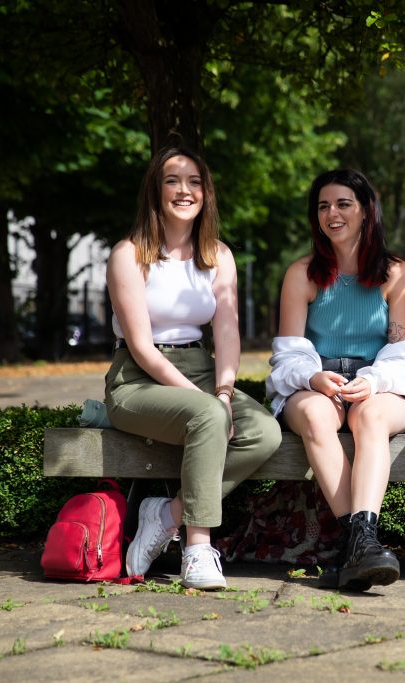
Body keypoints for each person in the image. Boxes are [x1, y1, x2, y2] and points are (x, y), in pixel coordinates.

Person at [106, 146, 282, 590]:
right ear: (155, 190)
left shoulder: (218, 255)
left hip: (200, 366)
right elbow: (143, 348)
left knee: (265, 431)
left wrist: (223, 390)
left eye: (194, 182)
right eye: (172, 180)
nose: (184, 190)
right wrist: (207, 403)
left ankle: (166, 513)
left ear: (206, 192)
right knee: (208, 415)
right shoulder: (128, 255)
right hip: (138, 378)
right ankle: (197, 549)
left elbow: (226, 333)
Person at [266, 169, 405, 592]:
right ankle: (362, 542)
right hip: (317, 381)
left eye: (343, 204)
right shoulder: (302, 273)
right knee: (318, 416)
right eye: (323, 206)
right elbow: (287, 356)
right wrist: (313, 376)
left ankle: (357, 543)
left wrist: (373, 381)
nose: (332, 214)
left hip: (382, 383)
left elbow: (401, 356)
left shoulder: (396, 274)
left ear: (365, 212)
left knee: (371, 418)